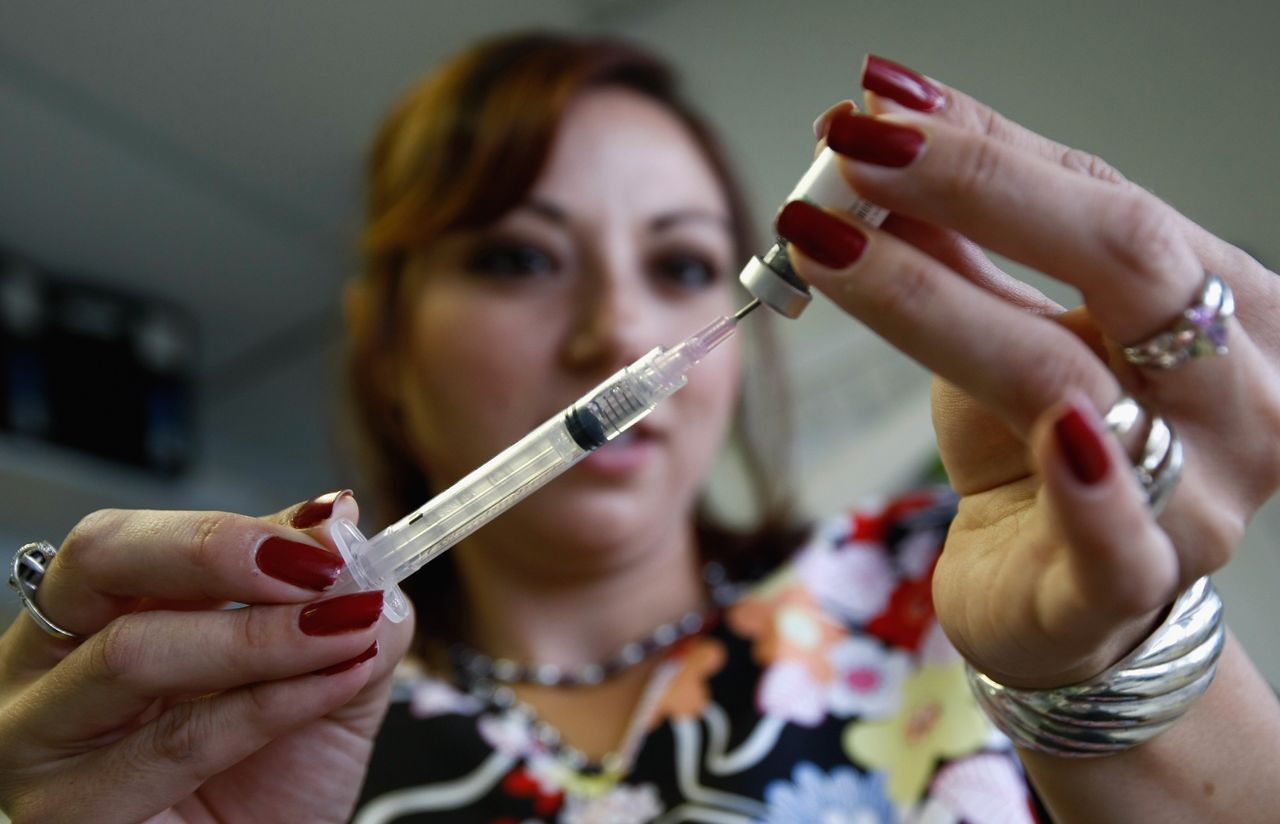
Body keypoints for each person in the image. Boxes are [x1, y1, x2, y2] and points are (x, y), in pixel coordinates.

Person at [1, 31, 1278, 823]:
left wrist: (1115, 663)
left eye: (676, 263)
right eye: (515, 258)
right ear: (384, 339)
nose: (614, 331)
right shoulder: (262, 728)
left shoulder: (943, 587)